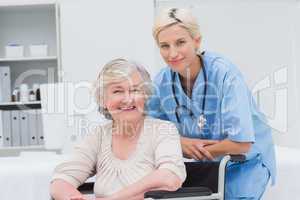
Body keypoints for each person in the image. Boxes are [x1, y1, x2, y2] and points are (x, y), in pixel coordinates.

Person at [147, 8, 276, 200]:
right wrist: (180, 142)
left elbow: (242, 144)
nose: (172, 53)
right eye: (164, 46)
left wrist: (193, 149)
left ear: (196, 41)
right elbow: (150, 130)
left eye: (180, 42)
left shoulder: (225, 75)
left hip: (244, 165)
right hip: (205, 167)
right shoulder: (162, 82)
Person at [50, 58, 186, 200]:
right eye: (117, 91)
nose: (128, 99)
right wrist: (71, 197)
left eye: (135, 90)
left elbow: (169, 178)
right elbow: (61, 180)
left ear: (145, 95)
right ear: (103, 99)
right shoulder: (98, 136)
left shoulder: (163, 130)